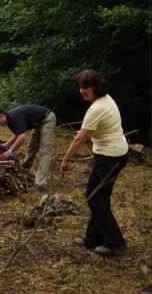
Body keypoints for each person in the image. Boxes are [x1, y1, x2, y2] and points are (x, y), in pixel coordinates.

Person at [60, 69, 128, 256]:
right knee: (99, 197)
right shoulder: (106, 100)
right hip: (115, 153)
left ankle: (115, 242)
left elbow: (79, 140)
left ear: (96, 86)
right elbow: (96, 130)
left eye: (86, 87)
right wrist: (85, 134)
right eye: (80, 87)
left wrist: (65, 159)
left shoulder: (97, 108)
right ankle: (93, 239)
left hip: (110, 157)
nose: (82, 91)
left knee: (94, 197)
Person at [0, 105, 56, 192]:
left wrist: (8, 152)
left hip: (47, 119)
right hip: (38, 123)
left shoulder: (14, 116)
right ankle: (23, 172)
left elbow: (22, 137)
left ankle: (40, 184)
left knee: (45, 152)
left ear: (2, 116)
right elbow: (17, 133)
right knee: (31, 148)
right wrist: (5, 145)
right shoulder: (9, 120)